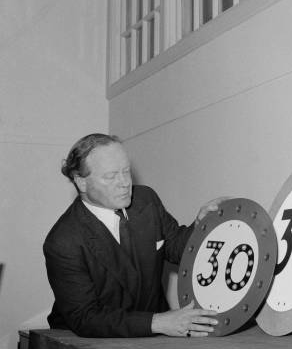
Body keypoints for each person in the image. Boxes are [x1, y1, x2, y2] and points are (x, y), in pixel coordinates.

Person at [43, 133, 220, 338]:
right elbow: (85, 317)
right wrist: (159, 322)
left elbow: (178, 247)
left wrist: (201, 226)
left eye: (126, 171)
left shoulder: (146, 200)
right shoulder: (63, 241)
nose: (124, 183)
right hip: (86, 340)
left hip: (153, 333)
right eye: (110, 176)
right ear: (81, 182)